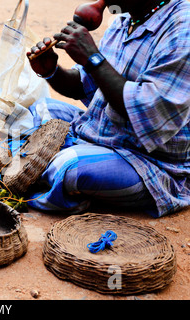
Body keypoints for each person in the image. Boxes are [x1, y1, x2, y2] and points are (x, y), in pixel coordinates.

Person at [26, 0, 190, 217]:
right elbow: (85, 85)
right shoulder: (124, 20)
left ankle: (60, 177)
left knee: (68, 168)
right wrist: (51, 71)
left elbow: (146, 112)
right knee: (35, 110)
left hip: (147, 160)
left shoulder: (182, 28)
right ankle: (63, 169)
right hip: (98, 132)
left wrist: (92, 57)